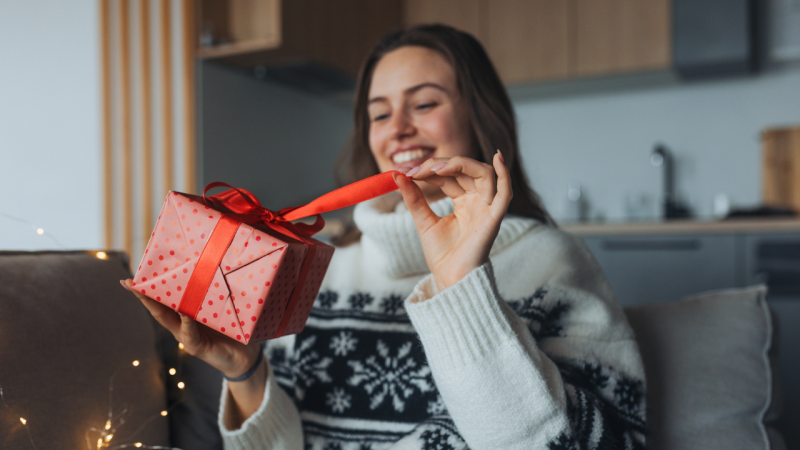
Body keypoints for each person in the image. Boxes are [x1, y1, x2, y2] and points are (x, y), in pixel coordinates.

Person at [123, 24, 646, 450]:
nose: (396, 128)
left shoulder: (552, 262)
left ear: (479, 116)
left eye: (423, 104)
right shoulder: (315, 273)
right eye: (378, 113)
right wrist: (247, 375)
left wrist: (460, 285)